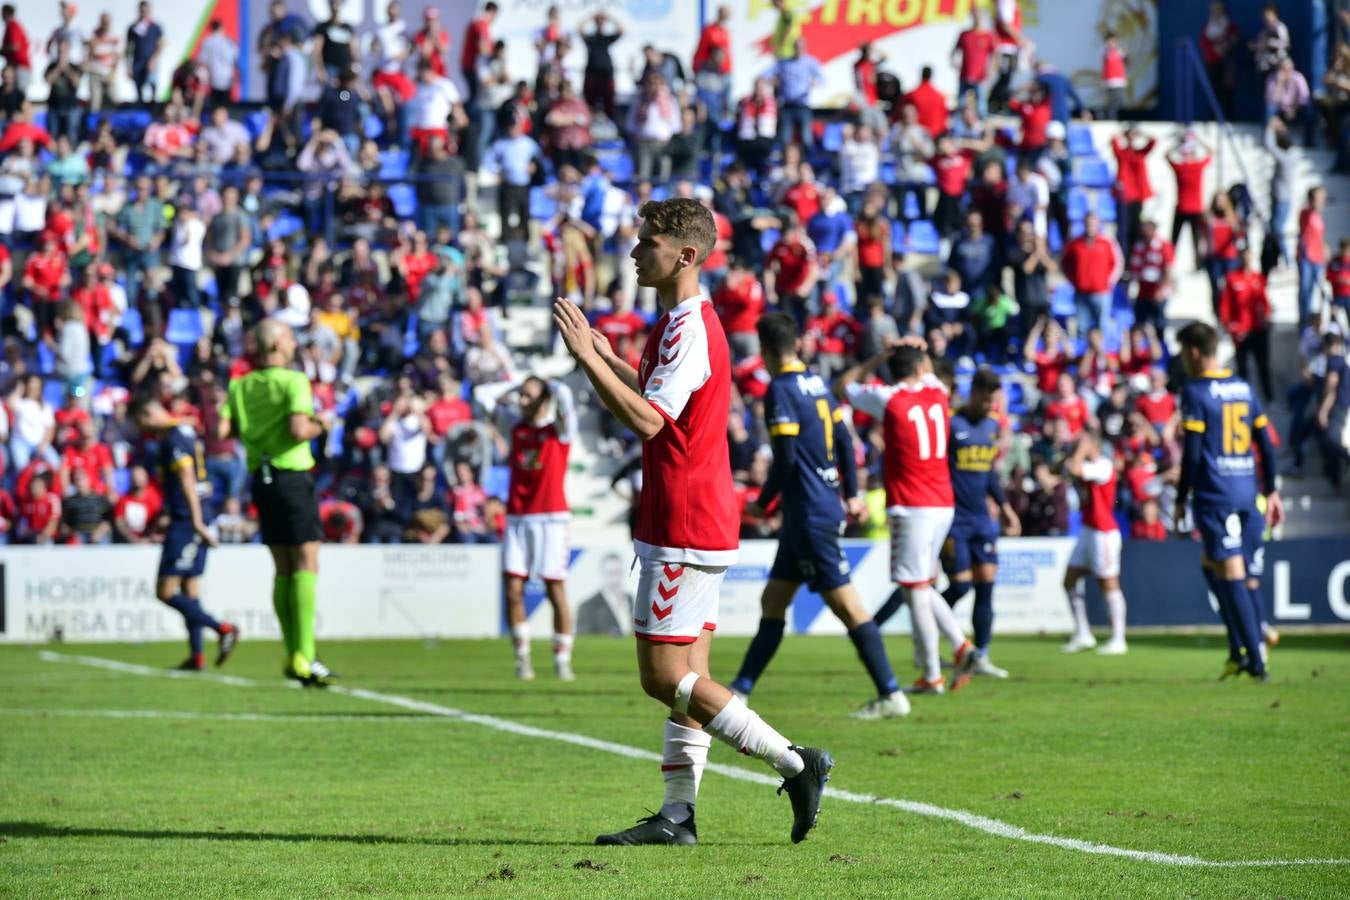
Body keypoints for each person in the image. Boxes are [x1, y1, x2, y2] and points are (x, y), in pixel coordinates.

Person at [552, 197, 831, 846]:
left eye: (645, 242)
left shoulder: (686, 326)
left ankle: (796, 763)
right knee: (691, 676)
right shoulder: (686, 322)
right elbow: (658, 399)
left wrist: (588, 360)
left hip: (681, 520)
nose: (632, 252)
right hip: (696, 516)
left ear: (684, 254)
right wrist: (606, 355)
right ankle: (678, 814)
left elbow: (650, 420)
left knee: (664, 677)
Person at [728, 312, 909, 719]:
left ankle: (891, 693)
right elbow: (845, 441)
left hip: (809, 512)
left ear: (766, 350)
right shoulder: (817, 385)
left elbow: (787, 457)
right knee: (772, 600)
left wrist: (764, 502)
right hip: (809, 511)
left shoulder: (781, 389)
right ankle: (740, 690)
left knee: (848, 607)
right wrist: (852, 493)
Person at [836, 341, 979, 694]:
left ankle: (935, 671)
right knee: (921, 584)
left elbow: (843, 386)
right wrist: (917, 349)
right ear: (920, 367)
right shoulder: (937, 390)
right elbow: (924, 368)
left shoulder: (887, 398)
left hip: (911, 505)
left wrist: (879, 355)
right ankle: (959, 648)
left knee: (914, 589)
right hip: (943, 502)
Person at [219, 320, 333, 686]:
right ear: (281, 344)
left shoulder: (240, 385)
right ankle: (305, 655)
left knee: (282, 567)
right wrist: (323, 425)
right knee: (306, 563)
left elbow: (225, 431)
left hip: (261, 480)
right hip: (291, 476)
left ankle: (292, 653)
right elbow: (300, 429)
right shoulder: (293, 380)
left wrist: (259, 431)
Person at [1175, 322, 1283, 681]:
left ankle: (1255, 660)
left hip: (1216, 495)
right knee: (1221, 567)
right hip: (1248, 493)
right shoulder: (1243, 387)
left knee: (1232, 573)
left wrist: (1180, 496)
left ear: (1193, 351)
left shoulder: (1195, 392)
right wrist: (1273, 491)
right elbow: (1266, 445)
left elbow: (1191, 454)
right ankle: (1243, 645)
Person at [134, 394, 239, 671]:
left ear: (149, 414)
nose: (142, 430)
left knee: (165, 591)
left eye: (140, 422)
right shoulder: (183, 430)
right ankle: (197, 656)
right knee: (189, 589)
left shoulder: (172, 439)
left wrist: (194, 522)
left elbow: (187, 478)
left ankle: (223, 628)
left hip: (188, 521)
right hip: (192, 515)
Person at [497, 376, 578, 681]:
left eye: (529, 396)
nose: (522, 401)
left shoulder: (558, 431)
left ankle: (562, 659)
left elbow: (566, 395)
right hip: (517, 516)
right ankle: (522, 659)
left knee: (554, 587)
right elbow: (483, 397)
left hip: (551, 518)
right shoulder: (515, 428)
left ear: (544, 399)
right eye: (521, 396)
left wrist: (546, 384)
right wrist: (518, 385)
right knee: (513, 589)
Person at [942, 368, 1021, 678]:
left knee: (986, 587)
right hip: (953, 519)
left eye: (994, 401)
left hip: (981, 519)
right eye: (986, 400)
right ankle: (927, 628)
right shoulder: (951, 423)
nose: (990, 406)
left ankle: (982, 656)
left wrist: (1004, 508)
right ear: (973, 393)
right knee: (960, 585)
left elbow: (988, 472)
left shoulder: (991, 426)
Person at [1060, 431, 1128, 655]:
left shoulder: (1103, 465)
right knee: (1069, 579)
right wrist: (1071, 452)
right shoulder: (1088, 463)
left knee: (1108, 584)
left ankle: (1118, 639)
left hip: (1104, 532)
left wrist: (1079, 451)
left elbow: (1076, 469)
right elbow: (1058, 470)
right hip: (1088, 529)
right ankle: (1083, 633)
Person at [1219, 248, 1273, 403]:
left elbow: (1264, 301)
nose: (1247, 261)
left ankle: (1269, 396)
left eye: (1249, 258)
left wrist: (1267, 318)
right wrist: (1229, 326)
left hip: (1258, 329)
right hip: (1240, 332)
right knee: (1242, 367)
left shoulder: (1258, 278)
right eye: (1244, 258)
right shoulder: (1232, 279)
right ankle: (1244, 398)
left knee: (1263, 364)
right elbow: (1225, 305)